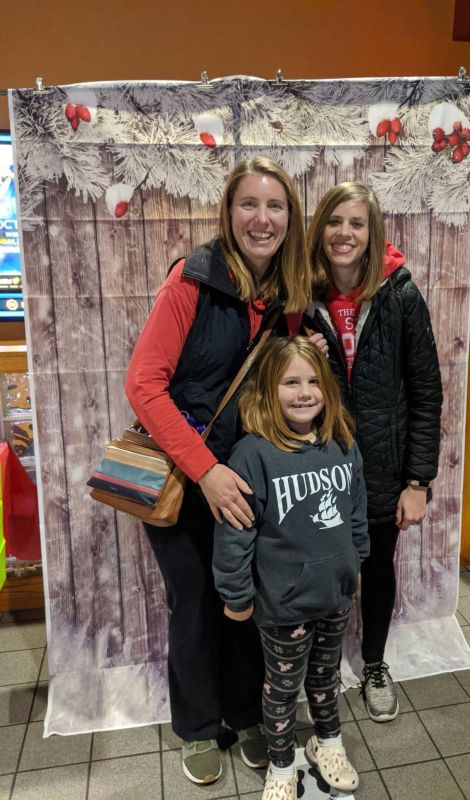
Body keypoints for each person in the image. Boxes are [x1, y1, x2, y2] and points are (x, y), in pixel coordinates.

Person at [125, 158, 323, 785]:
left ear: (290, 219)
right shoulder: (192, 279)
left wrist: (305, 352)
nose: (262, 219)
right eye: (250, 205)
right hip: (190, 483)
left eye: (275, 207)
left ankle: (245, 714)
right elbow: (144, 386)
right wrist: (206, 470)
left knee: (245, 604)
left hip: (250, 483)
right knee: (196, 606)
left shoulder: (289, 296)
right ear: (228, 212)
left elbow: (276, 383)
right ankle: (198, 726)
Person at [306, 182, 443, 723]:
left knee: (376, 568)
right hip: (322, 465)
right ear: (321, 230)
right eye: (335, 222)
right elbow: (278, 376)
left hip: (385, 467)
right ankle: (317, 667)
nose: (345, 234)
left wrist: (418, 481)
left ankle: (376, 664)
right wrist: (301, 348)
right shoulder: (300, 296)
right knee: (321, 567)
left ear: (372, 232)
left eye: (356, 224)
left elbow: (426, 391)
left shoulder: (401, 295)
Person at [213, 336, 369, 800]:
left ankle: (329, 743)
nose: (304, 392)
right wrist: (236, 594)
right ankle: (282, 767)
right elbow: (235, 534)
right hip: (283, 604)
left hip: (336, 593)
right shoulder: (251, 455)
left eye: (313, 380)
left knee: (327, 676)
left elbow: (355, 512)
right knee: (282, 689)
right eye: (290, 382)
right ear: (266, 391)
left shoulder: (343, 444)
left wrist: (356, 563)